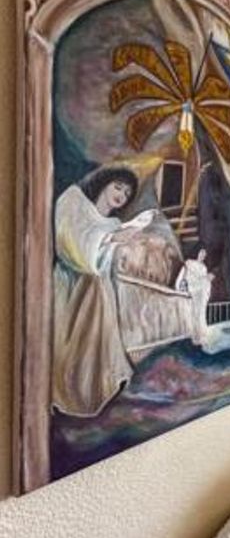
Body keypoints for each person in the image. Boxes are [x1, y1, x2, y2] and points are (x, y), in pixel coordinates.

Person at [52, 167, 148, 417]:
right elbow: (71, 244)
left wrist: (123, 240)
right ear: (104, 183)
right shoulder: (75, 202)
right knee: (68, 347)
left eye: (126, 193)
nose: (121, 195)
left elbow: (106, 264)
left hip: (98, 292)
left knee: (97, 345)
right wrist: (112, 239)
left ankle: (91, 392)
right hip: (72, 286)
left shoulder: (115, 224)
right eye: (118, 187)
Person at [175, 247, 215, 347]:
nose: (203, 255)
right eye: (201, 253)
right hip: (193, 290)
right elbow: (185, 276)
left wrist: (207, 279)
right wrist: (182, 285)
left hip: (201, 293)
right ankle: (195, 337)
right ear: (197, 253)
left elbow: (203, 279)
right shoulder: (189, 263)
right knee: (193, 314)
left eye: (204, 254)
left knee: (200, 314)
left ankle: (201, 336)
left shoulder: (203, 267)